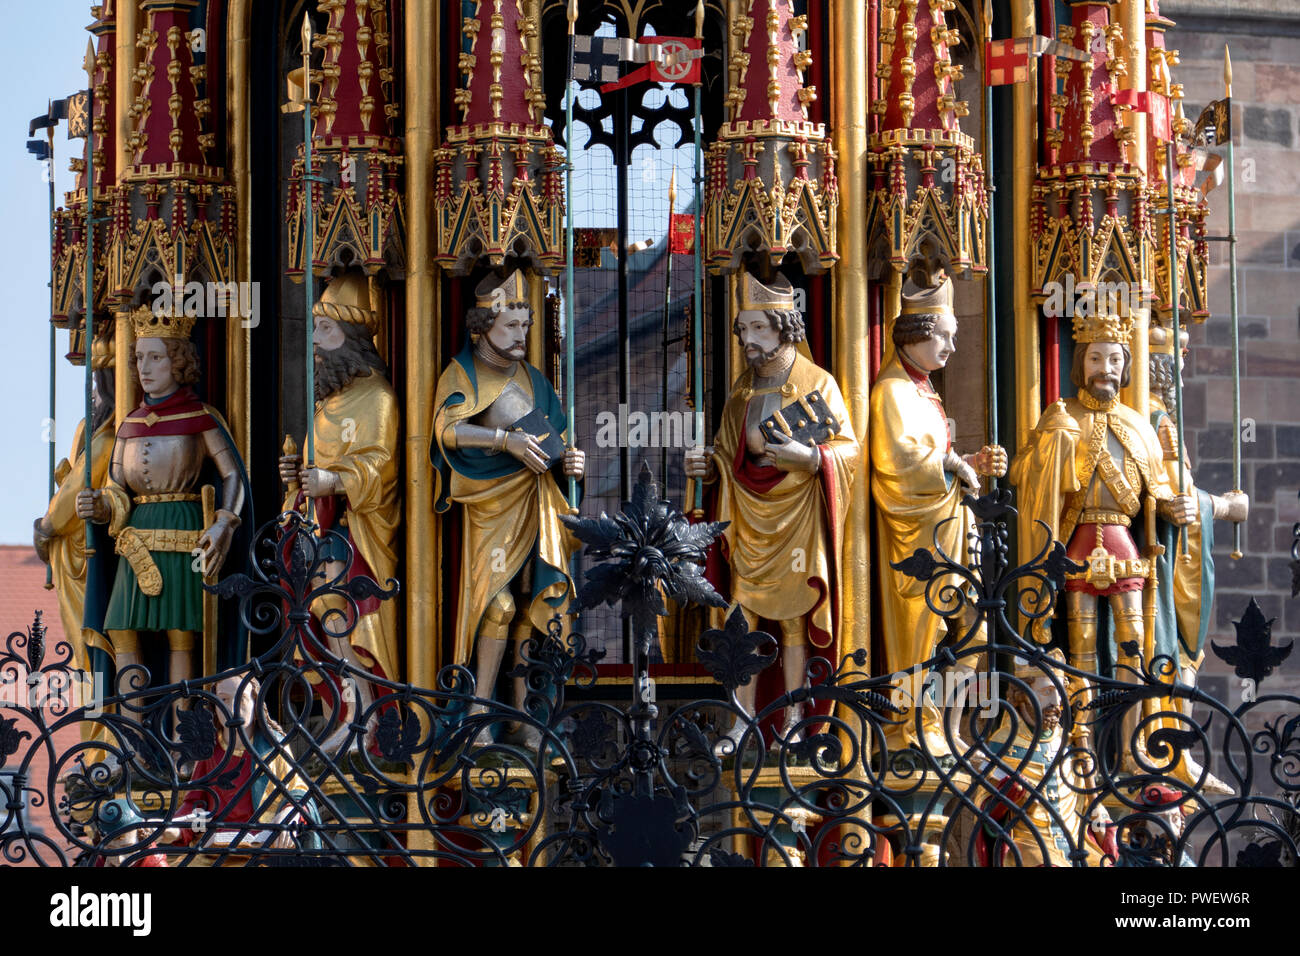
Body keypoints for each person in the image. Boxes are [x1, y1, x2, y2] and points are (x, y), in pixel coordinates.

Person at [1009, 311, 1195, 772]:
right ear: (1080, 364)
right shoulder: (1060, 414)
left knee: (1134, 647)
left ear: (1126, 367)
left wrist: (1180, 507)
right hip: (1074, 546)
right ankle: (1082, 746)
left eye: (1114, 359)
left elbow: (1160, 490)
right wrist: (1055, 448)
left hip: (1123, 545)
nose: (1106, 368)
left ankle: (1135, 741)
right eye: (1096, 358)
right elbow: (1021, 473)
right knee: (1083, 648)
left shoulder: (1138, 423)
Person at [684, 270, 857, 748]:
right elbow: (725, 450)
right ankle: (740, 721)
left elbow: (848, 451)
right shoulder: (741, 391)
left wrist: (810, 458)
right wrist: (707, 464)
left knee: (795, 616)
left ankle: (794, 718)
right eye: (742, 330)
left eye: (757, 328)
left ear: (783, 326)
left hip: (796, 516)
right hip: (747, 516)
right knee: (742, 615)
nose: (747, 340)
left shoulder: (815, 382)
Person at [431, 270, 584, 742]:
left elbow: (555, 435)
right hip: (491, 505)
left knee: (525, 604)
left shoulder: (532, 378)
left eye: (525, 326)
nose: (522, 336)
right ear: (481, 326)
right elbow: (446, 429)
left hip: (534, 501)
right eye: (511, 327)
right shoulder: (463, 372)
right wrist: (505, 441)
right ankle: (479, 711)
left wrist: (571, 462)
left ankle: (523, 715)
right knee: (493, 604)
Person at [76, 308, 250, 687]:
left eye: (155, 357)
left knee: (179, 634)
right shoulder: (129, 425)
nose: (144, 367)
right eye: (139, 357)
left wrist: (224, 523)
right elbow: (116, 488)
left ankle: (182, 728)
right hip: (136, 534)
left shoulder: (201, 417)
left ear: (178, 361)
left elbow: (233, 473)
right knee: (121, 628)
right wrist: (99, 506)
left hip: (183, 527)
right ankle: (130, 732)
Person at [869, 272, 1005, 756]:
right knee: (925, 632)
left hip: (947, 532)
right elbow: (894, 462)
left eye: (953, 336)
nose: (950, 346)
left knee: (974, 631)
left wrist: (969, 464)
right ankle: (912, 722)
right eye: (943, 335)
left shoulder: (923, 390)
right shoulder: (892, 392)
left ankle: (945, 724)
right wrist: (950, 463)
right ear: (916, 333)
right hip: (919, 542)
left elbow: (928, 457)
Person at [279, 270, 401, 750]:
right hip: (323, 528)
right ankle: (343, 707)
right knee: (317, 608)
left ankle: (364, 710)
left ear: (350, 338)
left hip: (360, 532)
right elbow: (317, 467)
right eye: (314, 328)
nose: (314, 340)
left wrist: (333, 480)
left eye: (324, 330)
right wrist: (298, 478)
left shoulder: (379, 398)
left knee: (338, 604)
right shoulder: (327, 402)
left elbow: (381, 467)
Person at [974, 650, 1116, 866]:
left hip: (1075, 845)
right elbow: (985, 814)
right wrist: (1008, 794)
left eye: (1060, 692)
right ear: (1023, 693)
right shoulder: (1003, 743)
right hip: (1030, 845)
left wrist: (1101, 820)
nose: (1056, 702)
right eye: (1047, 692)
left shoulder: (1066, 743)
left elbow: (1084, 802)